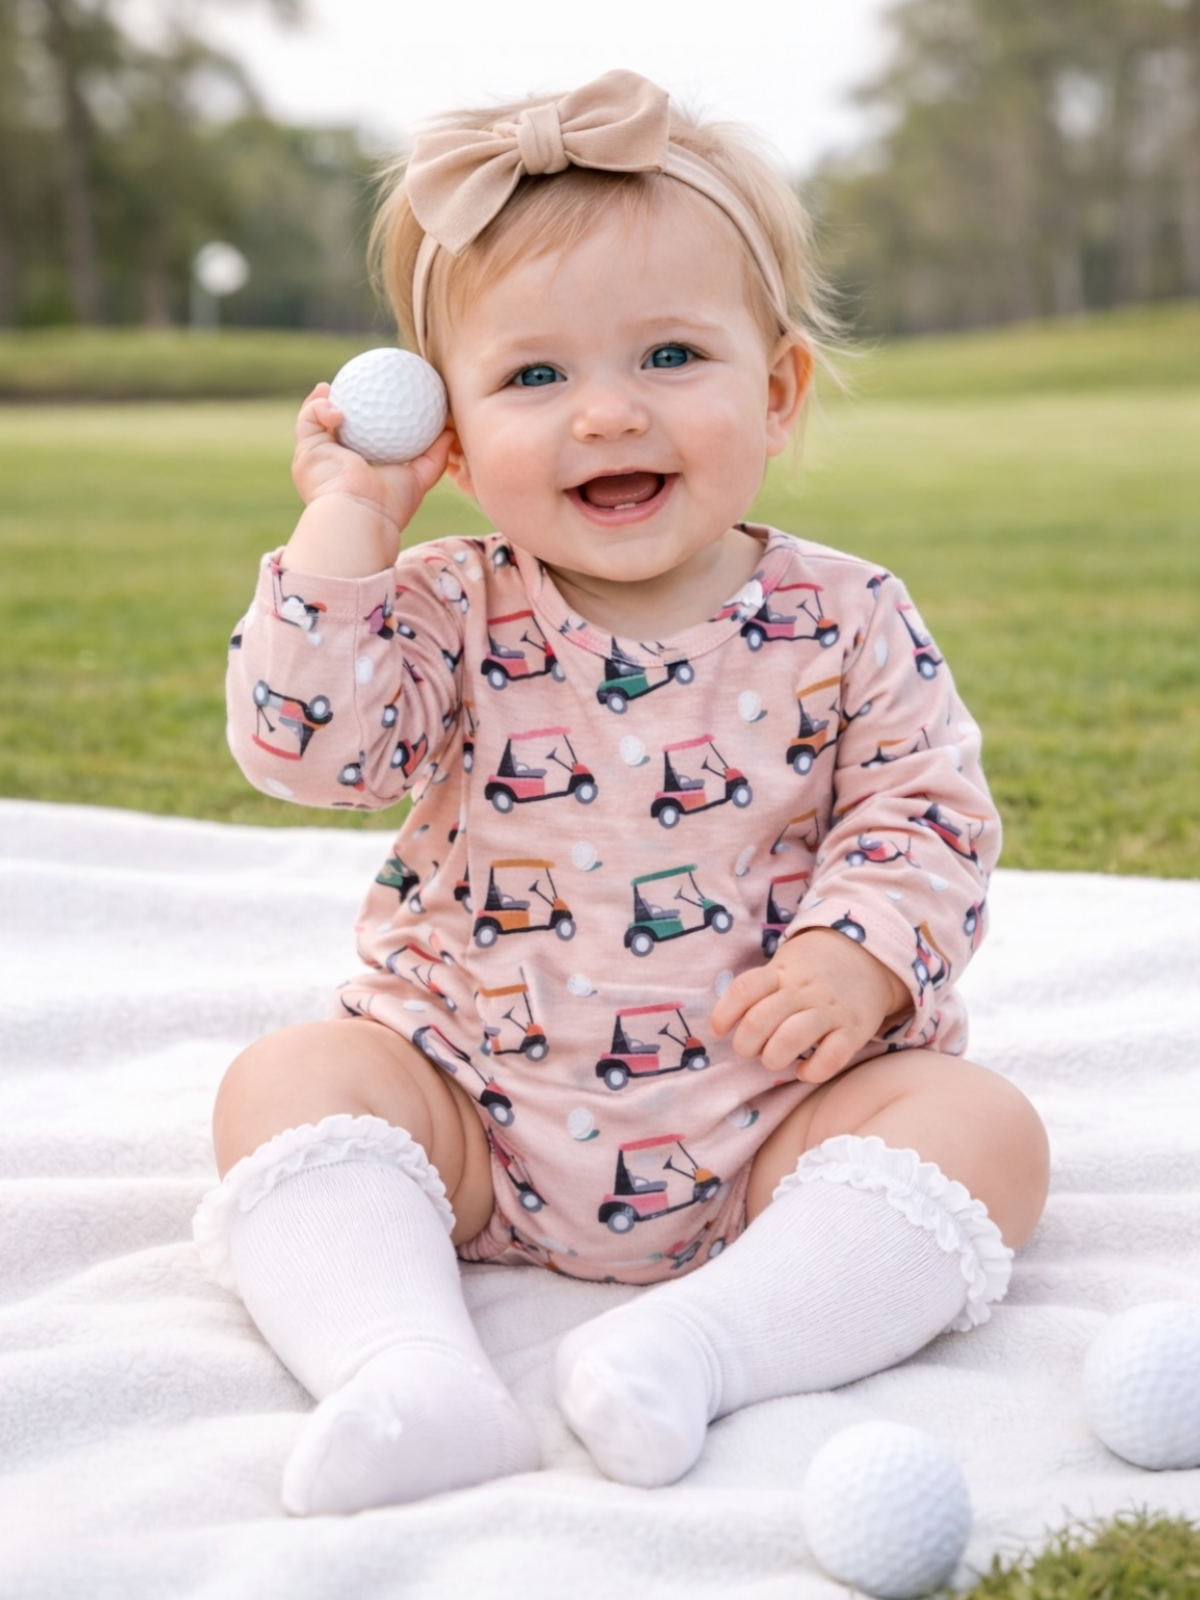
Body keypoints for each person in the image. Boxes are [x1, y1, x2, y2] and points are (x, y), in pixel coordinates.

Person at [194, 68, 1050, 1517]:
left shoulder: (846, 615)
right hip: (475, 1099)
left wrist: (857, 955)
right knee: (282, 1085)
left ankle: (701, 1345)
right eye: (534, 377)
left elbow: (929, 812)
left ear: (772, 390)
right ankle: (406, 1364)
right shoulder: (447, 606)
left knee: (986, 1132)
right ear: (450, 441)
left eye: (667, 356)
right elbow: (309, 748)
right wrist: (346, 520)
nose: (604, 413)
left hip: (776, 1115)